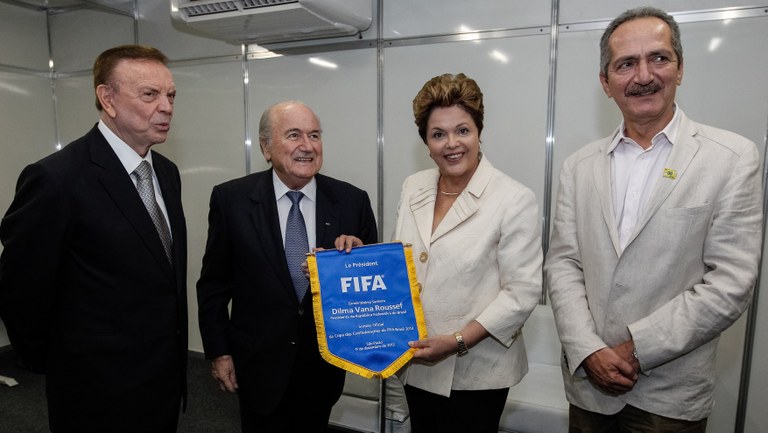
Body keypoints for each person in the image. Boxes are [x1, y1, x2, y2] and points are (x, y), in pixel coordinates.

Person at [545, 7, 763, 432]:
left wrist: (636, 348)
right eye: (626, 63)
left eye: (658, 58)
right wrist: (587, 349)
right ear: (606, 83)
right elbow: (563, 264)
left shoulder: (732, 159)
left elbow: (731, 281)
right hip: (588, 388)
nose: (643, 75)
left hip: (670, 397)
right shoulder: (578, 166)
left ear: (680, 69)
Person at [0, 45, 187, 433]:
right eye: (149, 94)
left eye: (170, 95)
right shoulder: (56, 179)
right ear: (107, 98)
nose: (166, 107)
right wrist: (53, 361)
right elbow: (22, 286)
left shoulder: (166, 173)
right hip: (95, 392)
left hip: (164, 381)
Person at [196, 100, 378, 432]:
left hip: (322, 367)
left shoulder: (353, 202)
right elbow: (213, 286)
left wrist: (354, 265)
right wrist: (220, 353)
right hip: (257, 366)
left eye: (314, 135)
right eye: (293, 135)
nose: (307, 146)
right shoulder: (231, 200)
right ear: (266, 147)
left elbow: (370, 297)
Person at [390, 73, 542, 433]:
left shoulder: (513, 198)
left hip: (479, 371)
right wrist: (351, 259)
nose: (451, 144)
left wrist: (456, 341)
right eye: (438, 134)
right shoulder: (413, 187)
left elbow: (522, 293)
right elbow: (401, 262)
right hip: (417, 361)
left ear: (478, 132)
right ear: (426, 143)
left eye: (462, 130)